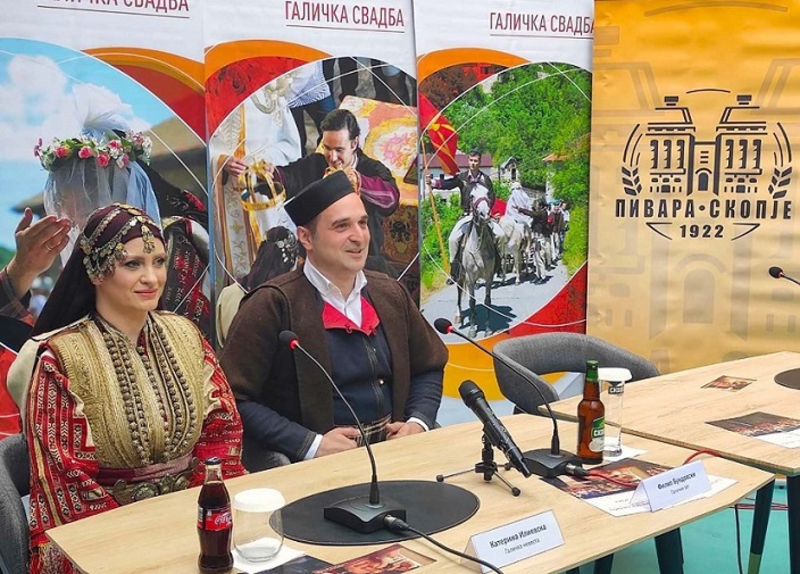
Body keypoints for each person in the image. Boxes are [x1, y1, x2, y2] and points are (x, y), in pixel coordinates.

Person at [22, 204, 245, 574]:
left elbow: (222, 430)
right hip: (105, 536)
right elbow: (67, 480)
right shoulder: (61, 358)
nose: (152, 278)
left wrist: (201, 506)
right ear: (96, 271)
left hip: (192, 517)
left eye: (158, 262)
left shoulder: (186, 335)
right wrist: (145, 539)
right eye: (132, 264)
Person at [220, 171, 446, 468]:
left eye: (362, 223)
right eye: (342, 226)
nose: (359, 236)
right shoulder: (272, 304)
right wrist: (309, 444)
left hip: (397, 457)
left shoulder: (390, 293)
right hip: (314, 468)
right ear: (306, 237)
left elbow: (428, 366)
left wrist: (417, 422)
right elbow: (235, 398)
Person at [223, 108, 400, 273]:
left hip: (360, 258)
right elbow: (290, 177)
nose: (332, 157)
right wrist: (271, 174)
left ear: (354, 143)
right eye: (327, 148)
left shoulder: (371, 169)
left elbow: (391, 199)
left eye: (339, 150)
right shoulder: (316, 163)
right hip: (319, 259)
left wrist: (359, 181)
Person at [430, 149, 501, 280]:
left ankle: (498, 264)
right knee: (452, 240)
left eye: (476, 161)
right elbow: (449, 184)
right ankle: (454, 270)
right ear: (468, 161)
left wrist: (487, 211)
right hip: (467, 215)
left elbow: (492, 197)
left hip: (483, 216)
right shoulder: (462, 178)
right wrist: (434, 183)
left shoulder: (486, 180)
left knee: (500, 235)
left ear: (480, 162)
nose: (473, 163)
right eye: (471, 160)